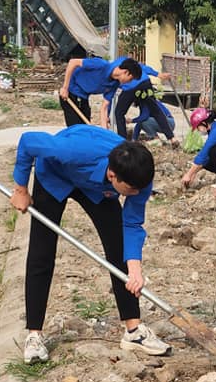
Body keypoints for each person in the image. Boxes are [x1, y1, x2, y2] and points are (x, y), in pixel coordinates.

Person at [10, 124, 172, 363]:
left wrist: (135, 269)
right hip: (56, 176)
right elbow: (27, 141)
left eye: (138, 190)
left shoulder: (137, 177)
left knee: (118, 250)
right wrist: (21, 188)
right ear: (112, 175)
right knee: (41, 251)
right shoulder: (67, 150)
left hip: (96, 189)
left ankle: (133, 331)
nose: (134, 195)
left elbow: (133, 224)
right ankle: (34, 335)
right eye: (129, 190)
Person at [59, 55, 142, 127]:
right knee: (76, 129)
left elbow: (104, 107)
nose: (130, 82)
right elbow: (73, 62)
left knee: (85, 130)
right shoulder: (101, 65)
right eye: (130, 79)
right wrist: (65, 88)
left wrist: (104, 130)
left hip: (83, 97)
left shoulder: (114, 84)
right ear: (125, 72)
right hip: (70, 93)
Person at [113, 63, 180, 145]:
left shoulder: (113, 74)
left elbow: (143, 117)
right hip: (145, 82)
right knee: (156, 112)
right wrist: (158, 74)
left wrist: (132, 120)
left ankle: (122, 143)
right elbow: (144, 68)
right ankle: (172, 138)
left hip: (170, 122)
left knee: (119, 113)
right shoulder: (125, 63)